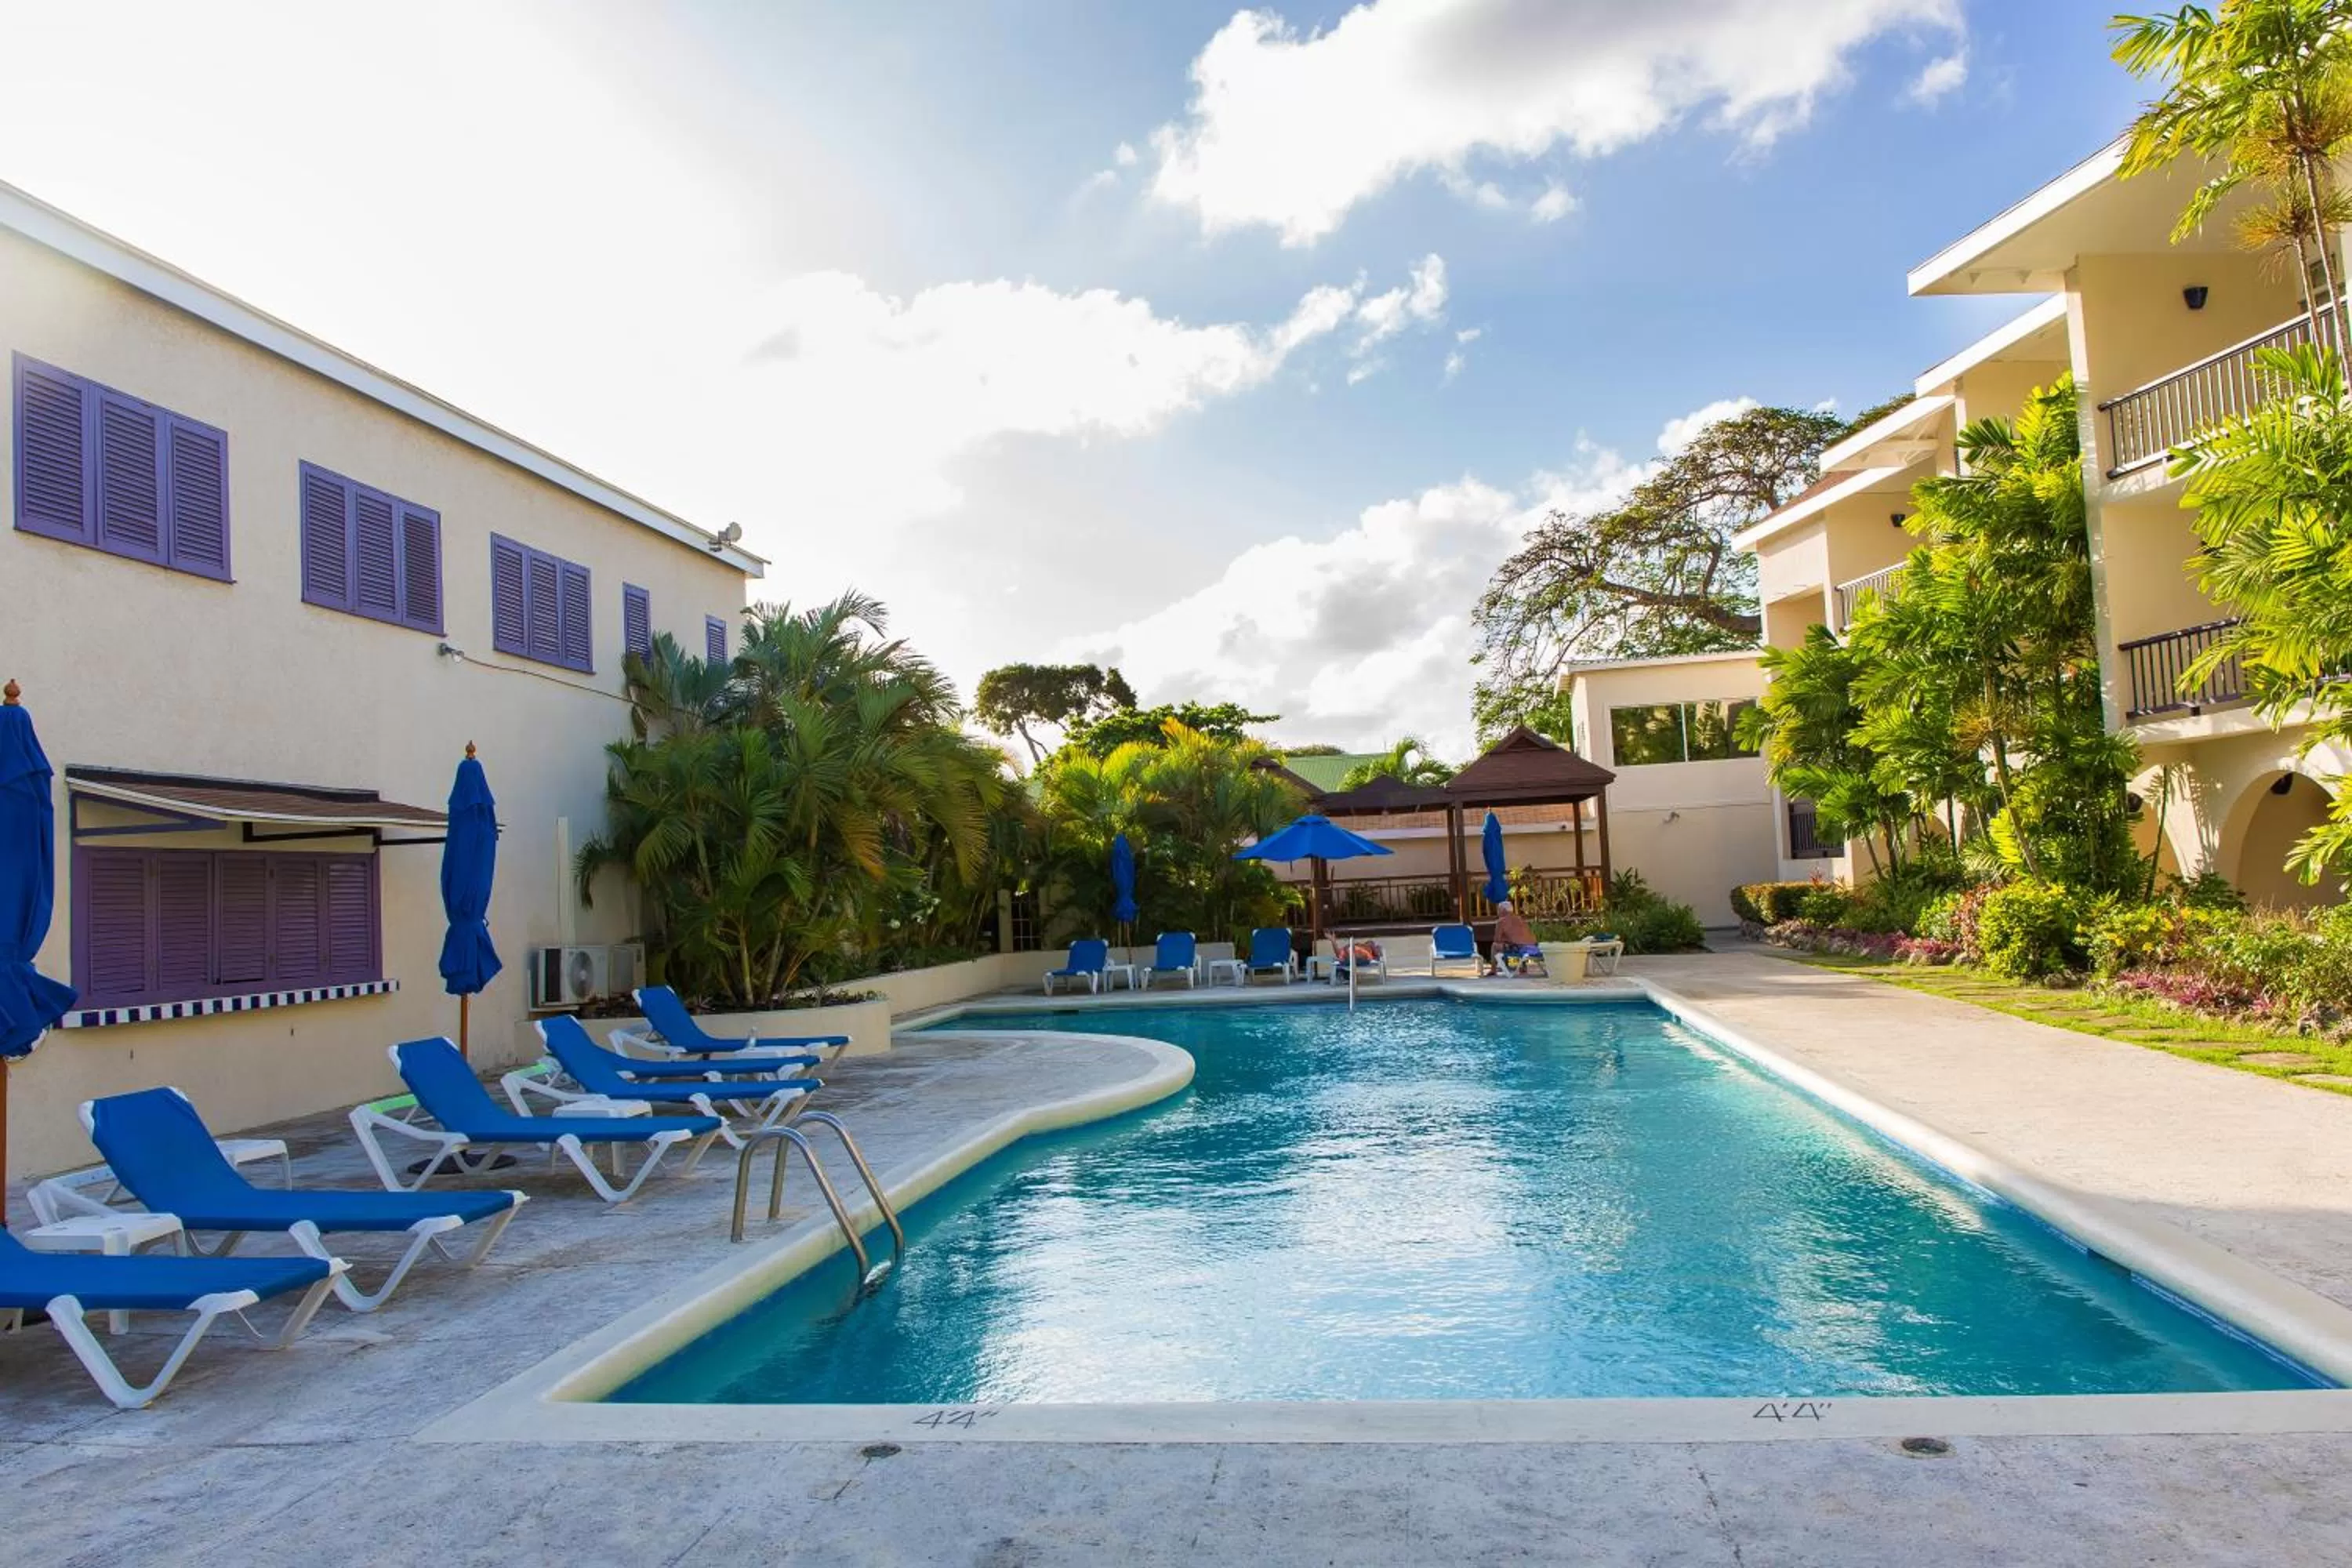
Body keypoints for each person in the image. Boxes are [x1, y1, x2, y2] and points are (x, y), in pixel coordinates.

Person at [1490, 900, 1541, 977]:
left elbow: (1497, 939)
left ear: (1503, 910)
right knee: (1518, 945)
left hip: (1518, 949)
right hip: (1533, 948)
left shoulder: (1501, 921)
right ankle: (1523, 968)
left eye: (1498, 910)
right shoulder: (1520, 919)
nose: (1498, 912)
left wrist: (1505, 940)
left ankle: (1493, 970)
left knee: (1494, 946)